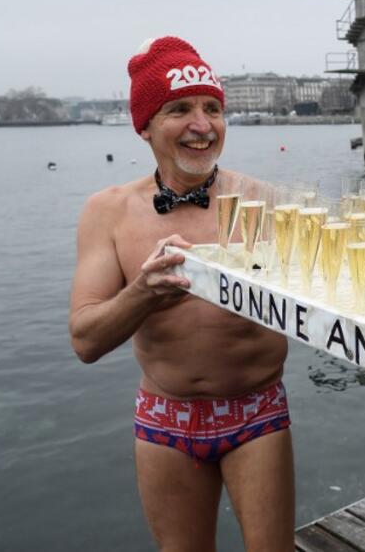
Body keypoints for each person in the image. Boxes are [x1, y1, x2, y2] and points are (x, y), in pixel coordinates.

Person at [69, 36, 294, 550]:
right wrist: (141, 295)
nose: (202, 124)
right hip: (164, 417)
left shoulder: (264, 202)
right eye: (180, 109)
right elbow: (84, 340)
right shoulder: (109, 211)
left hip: (257, 410)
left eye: (212, 108)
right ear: (145, 126)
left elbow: (330, 288)